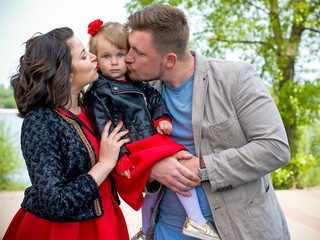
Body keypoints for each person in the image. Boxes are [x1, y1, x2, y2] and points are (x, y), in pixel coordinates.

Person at [124, 4, 291, 240]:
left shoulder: (236, 78)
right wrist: (152, 169)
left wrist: (200, 167)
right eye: (129, 47)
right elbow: (124, 154)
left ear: (169, 60)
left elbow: (275, 148)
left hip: (238, 231)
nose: (128, 58)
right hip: (166, 230)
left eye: (138, 52)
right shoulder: (140, 93)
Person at [83, 19, 220, 240]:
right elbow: (104, 129)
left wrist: (161, 118)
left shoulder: (136, 82)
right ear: (96, 59)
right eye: (106, 56)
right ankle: (196, 220)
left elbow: (154, 98)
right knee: (179, 167)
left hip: (151, 139)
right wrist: (122, 157)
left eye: (120, 54)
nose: (115, 62)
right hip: (133, 147)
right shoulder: (97, 93)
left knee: (156, 191)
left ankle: (146, 229)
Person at [3, 27, 130, 240]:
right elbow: (56, 202)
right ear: (64, 72)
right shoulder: (41, 121)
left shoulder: (92, 108)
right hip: (64, 232)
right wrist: (104, 164)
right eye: (83, 56)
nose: (93, 57)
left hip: (106, 221)